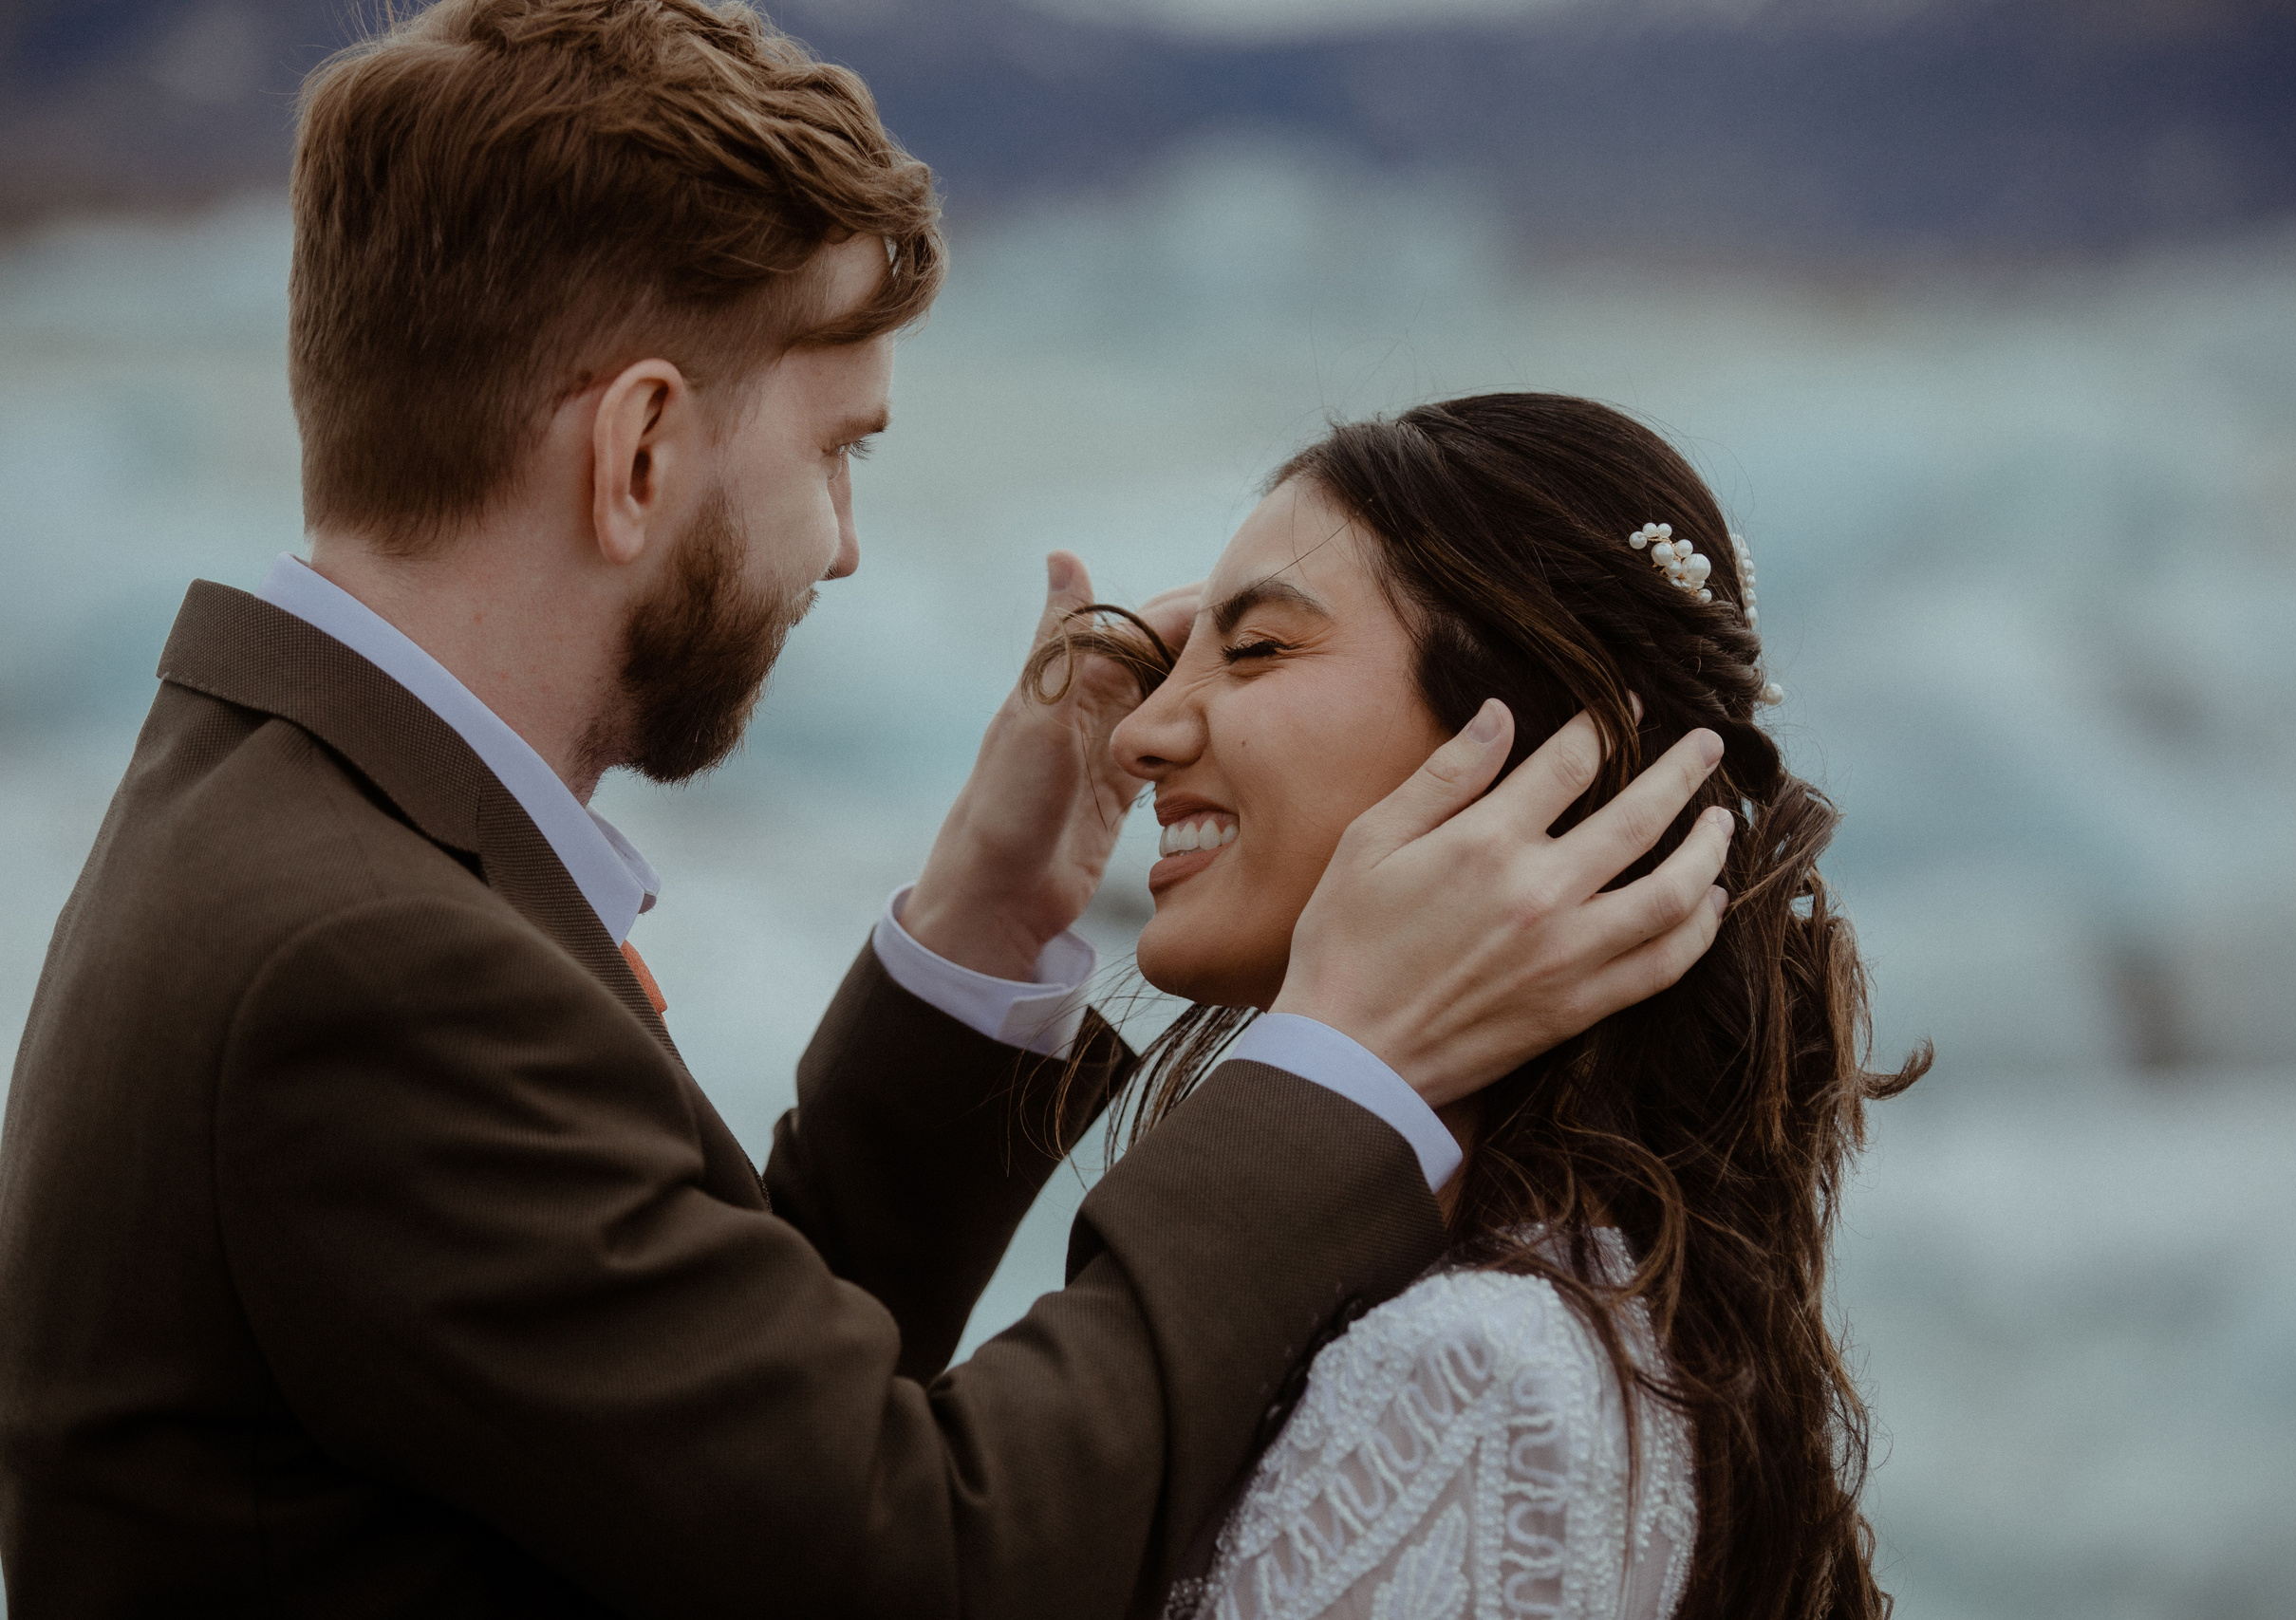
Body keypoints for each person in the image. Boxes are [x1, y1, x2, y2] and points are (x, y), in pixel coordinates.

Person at [0, 6, 1737, 1615]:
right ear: (642, 452)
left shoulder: (276, 813)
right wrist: (1340, 1075)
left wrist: (984, 935)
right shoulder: (364, 955)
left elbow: (717, 1457)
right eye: (838, 449)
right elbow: (915, 1559)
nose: (844, 542)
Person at [1029, 394, 1931, 1620]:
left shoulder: (1465, 1375)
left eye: (1254, 652)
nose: (1138, 734)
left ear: (1532, 744)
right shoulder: (1585, 1313)